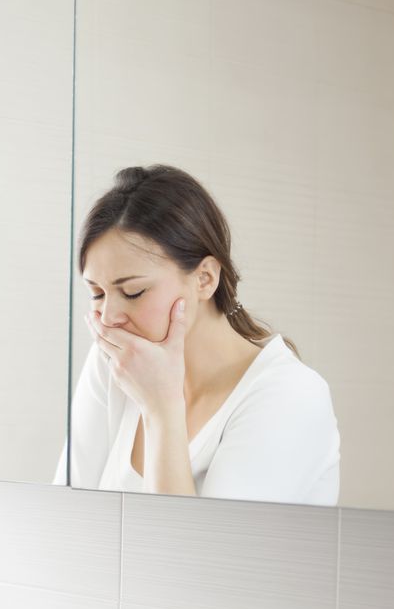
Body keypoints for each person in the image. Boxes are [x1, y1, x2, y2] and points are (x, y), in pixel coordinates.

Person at [64, 165, 340, 503]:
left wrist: (162, 408)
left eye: (133, 292)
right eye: (97, 293)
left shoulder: (290, 396)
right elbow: (64, 520)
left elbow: (197, 552)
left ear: (205, 279)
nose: (108, 318)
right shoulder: (114, 364)